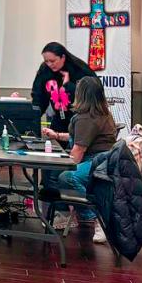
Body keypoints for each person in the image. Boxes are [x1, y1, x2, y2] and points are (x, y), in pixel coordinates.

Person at [43, 77, 115, 244]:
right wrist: (58, 135)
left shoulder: (86, 118)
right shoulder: (100, 113)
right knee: (56, 172)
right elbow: (81, 138)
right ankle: (66, 214)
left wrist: (58, 161)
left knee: (66, 176)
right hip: (103, 159)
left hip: (97, 161)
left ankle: (97, 218)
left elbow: (78, 152)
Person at [32, 42, 98, 134]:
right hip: (59, 119)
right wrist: (32, 118)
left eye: (52, 61)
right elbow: (38, 97)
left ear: (63, 57)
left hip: (80, 121)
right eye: (46, 61)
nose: (49, 64)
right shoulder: (45, 71)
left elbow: (92, 95)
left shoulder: (80, 70)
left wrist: (68, 86)